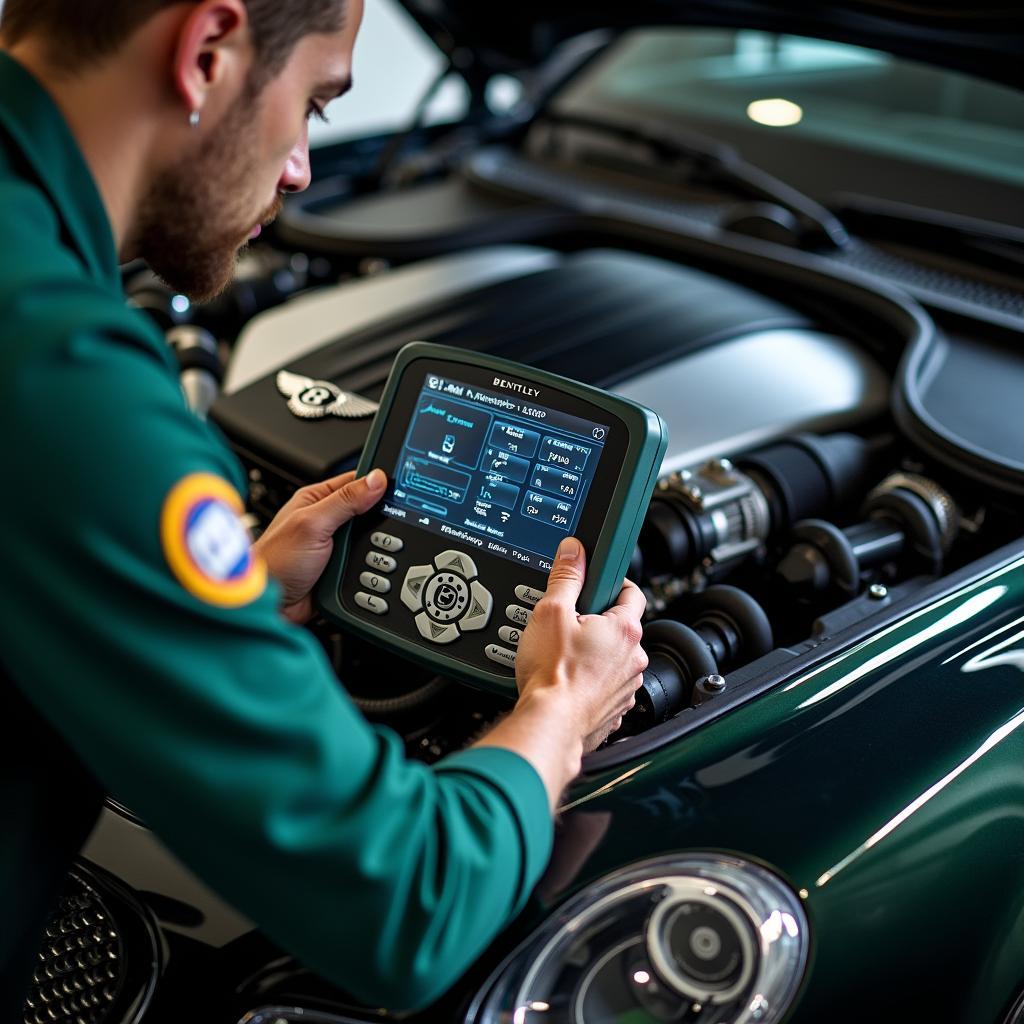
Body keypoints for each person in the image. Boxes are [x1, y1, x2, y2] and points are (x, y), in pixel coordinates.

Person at [0, 0, 648, 1014]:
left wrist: (228, 595)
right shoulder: (60, 377)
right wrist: (560, 709)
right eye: (314, 102)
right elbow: (402, 905)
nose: (301, 167)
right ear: (206, 51)